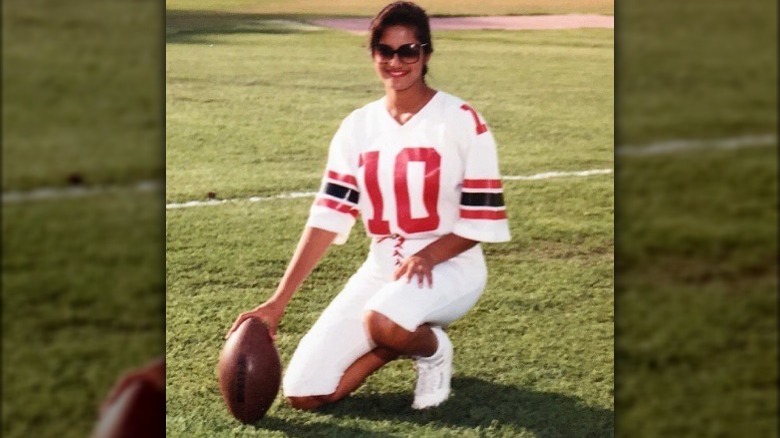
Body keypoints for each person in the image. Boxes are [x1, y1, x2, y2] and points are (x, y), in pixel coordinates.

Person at [227, 1, 510, 410]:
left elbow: (481, 219)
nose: (397, 61)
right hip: (383, 268)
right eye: (385, 51)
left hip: (450, 267)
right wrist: (278, 301)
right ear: (373, 53)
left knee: (385, 318)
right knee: (305, 392)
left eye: (408, 50)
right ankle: (394, 339)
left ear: (426, 54)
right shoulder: (357, 126)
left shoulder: (461, 119)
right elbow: (327, 217)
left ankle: (431, 352)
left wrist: (429, 254)